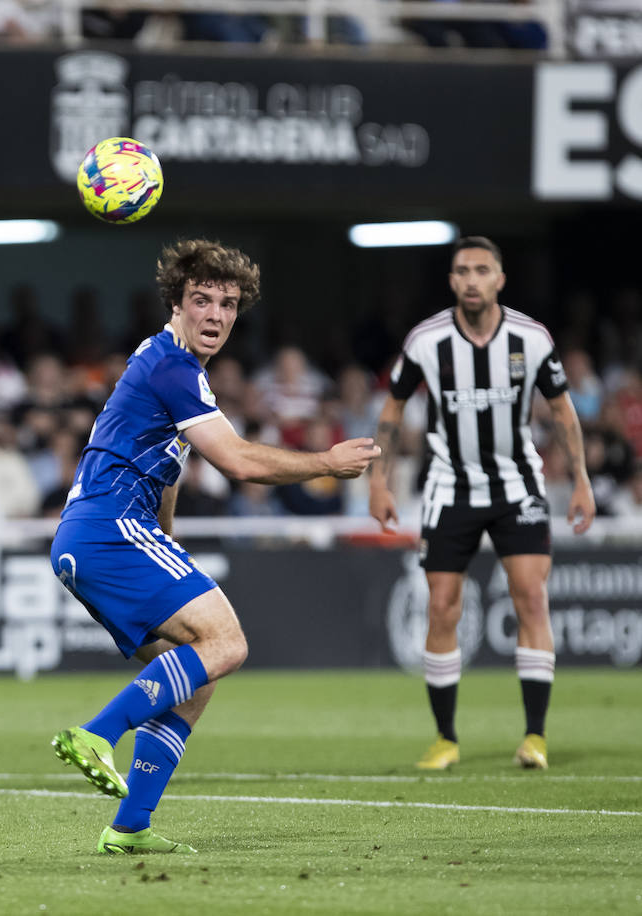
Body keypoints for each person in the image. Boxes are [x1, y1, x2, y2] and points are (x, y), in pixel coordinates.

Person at [49, 238, 379, 854]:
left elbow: (168, 469)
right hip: (110, 528)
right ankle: (98, 733)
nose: (216, 315)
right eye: (201, 299)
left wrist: (165, 540)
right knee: (228, 643)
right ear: (176, 303)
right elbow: (238, 463)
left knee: (195, 678)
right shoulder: (173, 367)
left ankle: (130, 826)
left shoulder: (163, 363)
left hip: (90, 539)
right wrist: (326, 464)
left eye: (228, 304)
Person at [367, 236, 595, 772]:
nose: (471, 279)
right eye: (462, 270)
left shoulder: (531, 338)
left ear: (500, 279)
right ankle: (446, 738)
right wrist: (380, 481)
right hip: (450, 487)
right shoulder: (426, 341)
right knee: (442, 606)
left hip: (517, 486)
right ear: (452, 281)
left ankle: (534, 737)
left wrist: (580, 479)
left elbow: (563, 412)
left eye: (482, 270)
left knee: (531, 599)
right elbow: (391, 409)